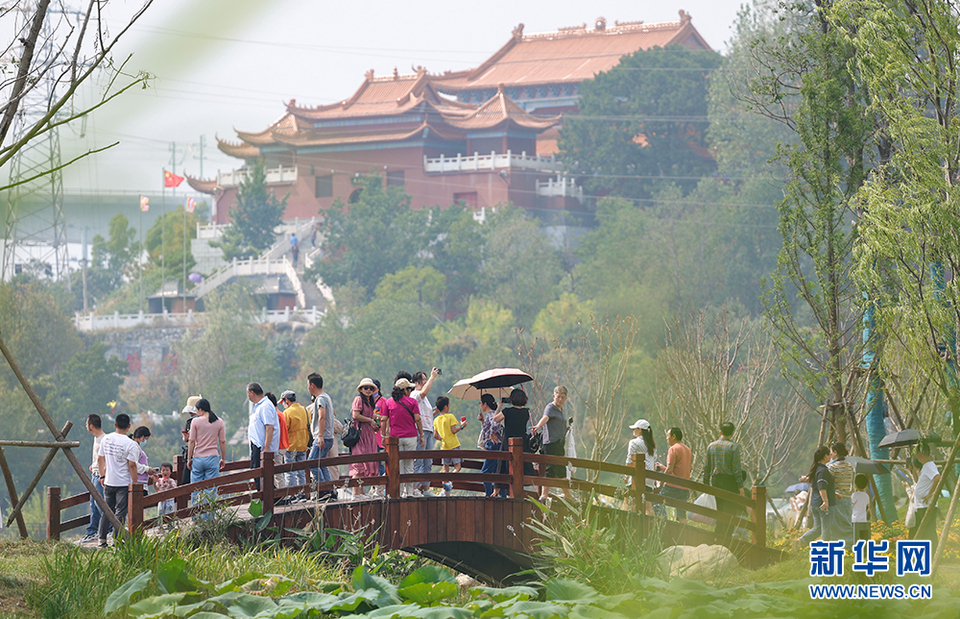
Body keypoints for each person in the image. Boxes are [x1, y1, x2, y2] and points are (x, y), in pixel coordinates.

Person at [97, 413, 141, 549]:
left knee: (107, 511)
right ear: (129, 426)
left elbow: (100, 459)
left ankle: (102, 540)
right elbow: (132, 465)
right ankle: (116, 540)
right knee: (120, 513)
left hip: (109, 482)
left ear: (115, 425)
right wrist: (135, 484)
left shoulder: (106, 439)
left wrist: (102, 476)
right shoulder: (131, 444)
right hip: (123, 484)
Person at [379, 377, 424, 497]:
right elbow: (418, 419)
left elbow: (383, 420)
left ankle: (397, 491)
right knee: (409, 464)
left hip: (394, 439)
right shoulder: (412, 402)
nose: (410, 391)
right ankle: (408, 492)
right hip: (410, 436)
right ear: (404, 389)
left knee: (397, 465)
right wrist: (422, 435)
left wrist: (384, 435)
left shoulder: (388, 402)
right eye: (409, 388)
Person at [703, 421, 744, 543]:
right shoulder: (734, 447)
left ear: (720, 432)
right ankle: (726, 538)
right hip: (729, 481)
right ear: (732, 434)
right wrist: (740, 486)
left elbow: (707, 467)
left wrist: (705, 483)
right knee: (730, 511)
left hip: (716, 480)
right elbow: (736, 469)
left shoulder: (711, 446)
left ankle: (718, 537)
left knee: (720, 509)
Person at [531, 385, 570, 501]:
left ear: (565, 398)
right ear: (554, 396)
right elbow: (545, 418)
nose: (560, 400)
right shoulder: (550, 407)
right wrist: (538, 426)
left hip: (559, 442)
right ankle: (567, 495)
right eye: (558, 397)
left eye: (563, 397)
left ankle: (544, 495)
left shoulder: (560, 410)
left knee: (553, 470)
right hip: (551, 442)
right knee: (558, 468)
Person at [187, 398, 226, 511]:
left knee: (196, 489)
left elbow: (191, 441)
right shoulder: (219, 422)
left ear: (200, 410)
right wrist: (223, 458)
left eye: (196, 410)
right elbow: (222, 441)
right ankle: (209, 517)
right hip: (213, 458)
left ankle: (197, 517)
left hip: (198, 458)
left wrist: (189, 459)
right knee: (211, 489)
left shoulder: (195, 421)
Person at [494, 389, 534, 495]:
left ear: (512, 399)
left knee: (502, 465)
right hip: (522, 442)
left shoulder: (507, 411)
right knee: (521, 465)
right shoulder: (526, 411)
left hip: (508, 441)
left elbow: (495, 419)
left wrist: (499, 407)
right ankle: (521, 489)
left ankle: (496, 491)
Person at [799, 445, 837, 546]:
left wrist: (835, 494)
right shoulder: (823, 470)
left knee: (818, 528)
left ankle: (800, 542)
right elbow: (821, 487)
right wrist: (826, 501)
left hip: (815, 503)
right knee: (826, 530)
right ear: (825, 456)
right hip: (822, 505)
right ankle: (825, 551)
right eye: (829, 454)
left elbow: (819, 485)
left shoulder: (816, 468)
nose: (831, 455)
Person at [307, 373, 337, 499]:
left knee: (312, 463)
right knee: (322, 464)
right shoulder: (326, 397)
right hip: (328, 437)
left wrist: (319, 435)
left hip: (322, 437)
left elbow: (322, 416)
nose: (307, 388)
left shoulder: (320, 399)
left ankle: (323, 490)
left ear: (312, 385)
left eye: (308, 385)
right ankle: (329, 489)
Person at [349, 378, 381, 497]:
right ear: (361, 389)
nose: (368, 390)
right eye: (365, 388)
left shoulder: (370, 401)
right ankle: (355, 493)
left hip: (368, 434)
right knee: (359, 463)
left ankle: (361, 491)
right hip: (360, 434)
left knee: (367, 462)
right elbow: (355, 415)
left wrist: (374, 423)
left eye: (370, 388)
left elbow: (370, 416)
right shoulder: (358, 399)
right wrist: (370, 420)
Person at [411, 368, 441, 494]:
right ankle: (414, 487)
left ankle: (425, 487)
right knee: (419, 460)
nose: (425, 381)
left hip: (428, 430)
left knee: (428, 461)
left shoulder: (425, 398)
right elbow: (422, 394)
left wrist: (436, 411)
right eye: (423, 379)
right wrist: (433, 377)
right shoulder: (414, 394)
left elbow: (426, 413)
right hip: (420, 431)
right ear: (416, 382)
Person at [655, 426, 693, 524]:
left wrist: (661, 483)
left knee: (657, 502)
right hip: (684, 487)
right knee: (681, 514)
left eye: (668, 436)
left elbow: (670, 470)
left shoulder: (673, 449)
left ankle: (663, 525)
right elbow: (679, 468)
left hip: (672, 486)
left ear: (674, 436)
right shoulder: (687, 449)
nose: (666, 438)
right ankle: (683, 535)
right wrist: (664, 468)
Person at [247, 382, 278, 492]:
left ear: (252, 393)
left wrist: (267, 447)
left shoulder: (265, 406)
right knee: (256, 471)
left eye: (248, 393)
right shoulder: (259, 405)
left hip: (261, 445)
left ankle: (271, 496)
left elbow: (269, 427)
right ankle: (269, 495)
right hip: (257, 444)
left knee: (258, 472)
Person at [433, 396, 465, 496]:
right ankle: (450, 483)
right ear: (446, 406)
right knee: (458, 467)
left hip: (444, 446)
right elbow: (453, 430)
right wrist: (462, 425)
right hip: (454, 444)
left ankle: (445, 491)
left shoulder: (436, 420)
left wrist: (441, 439)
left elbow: (435, 435)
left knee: (445, 468)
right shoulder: (450, 416)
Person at [280, 390, 310, 497]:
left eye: (283, 402)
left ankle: (292, 494)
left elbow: (284, 430)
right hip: (303, 445)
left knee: (290, 472)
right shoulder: (305, 410)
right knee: (301, 472)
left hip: (291, 446)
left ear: (286, 400)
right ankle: (302, 495)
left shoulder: (287, 413)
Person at [82, 414, 106, 543]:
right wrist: (94, 466)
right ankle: (93, 531)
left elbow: (106, 459)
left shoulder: (104, 439)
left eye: (87, 424)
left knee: (100, 504)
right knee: (93, 504)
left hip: (100, 476)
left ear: (91, 426)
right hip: (95, 474)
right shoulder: (96, 439)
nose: (86, 426)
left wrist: (103, 474)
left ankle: (108, 528)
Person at [911, 441, 941, 540]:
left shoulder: (929, 465)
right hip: (922, 505)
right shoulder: (925, 467)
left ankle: (933, 552)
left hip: (926, 504)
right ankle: (927, 552)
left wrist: (930, 494)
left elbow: (937, 477)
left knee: (929, 531)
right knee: (923, 531)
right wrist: (914, 471)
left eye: (918, 455)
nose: (918, 458)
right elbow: (919, 482)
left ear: (921, 454)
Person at [626, 419, 656, 515]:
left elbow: (629, 460)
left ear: (640, 430)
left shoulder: (634, 442)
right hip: (649, 478)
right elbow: (654, 461)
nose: (633, 430)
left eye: (635, 428)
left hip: (637, 477)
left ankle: (630, 525)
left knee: (628, 502)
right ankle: (651, 528)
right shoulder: (652, 445)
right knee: (648, 506)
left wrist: (626, 476)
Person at [477, 393, 504, 498]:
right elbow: (487, 429)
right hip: (496, 445)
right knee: (497, 471)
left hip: (493, 445)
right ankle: (501, 494)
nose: (480, 405)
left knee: (485, 472)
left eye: (480, 403)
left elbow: (496, 425)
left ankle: (489, 495)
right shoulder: (491, 414)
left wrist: (492, 433)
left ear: (485, 404)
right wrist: (482, 421)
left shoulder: (492, 414)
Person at [827, 441, 854, 544]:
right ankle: (850, 543)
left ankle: (839, 544)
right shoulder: (850, 466)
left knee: (836, 523)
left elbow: (829, 484)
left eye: (831, 452)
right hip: (847, 497)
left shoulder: (832, 467)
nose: (830, 455)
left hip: (837, 497)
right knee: (846, 521)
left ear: (835, 452)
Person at [265, 392, 288, 493]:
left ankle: (282, 494)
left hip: (278, 446)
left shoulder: (275, 415)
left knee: (277, 474)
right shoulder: (281, 414)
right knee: (277, 473)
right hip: (283, 445)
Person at [179, 395, 201, 485]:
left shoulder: (205, 422)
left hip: (199, 453)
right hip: (190, 452)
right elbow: (187, 440)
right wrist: (186, 438)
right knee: (186, 481)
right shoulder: (189, 422)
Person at [851, 474, 870, 542]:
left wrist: (851, 494)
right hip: (863, 519)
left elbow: (851, 504)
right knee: (862, 537)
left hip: (855, 519)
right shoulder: (866, 495)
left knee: (854, 536)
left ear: (855, 485)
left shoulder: (855, 495)